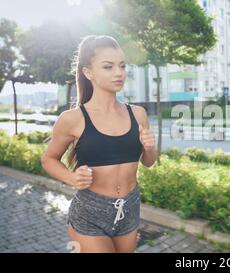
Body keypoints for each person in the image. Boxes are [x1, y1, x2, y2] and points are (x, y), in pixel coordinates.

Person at [40, 35, 157, 253]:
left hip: (129, 209)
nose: (119, 73)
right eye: (108, 66)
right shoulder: (72, 119)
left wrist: (150, 147)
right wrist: (71, 177)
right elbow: (48, 159)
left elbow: (149, 162)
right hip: (90, 213)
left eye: (122, 66)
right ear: (88, 72)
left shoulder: (138, 114)